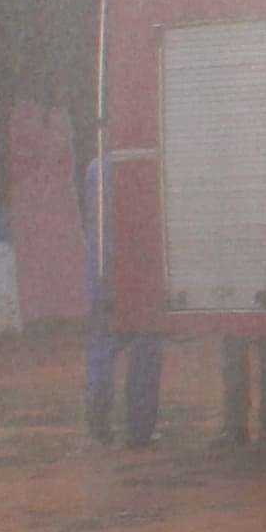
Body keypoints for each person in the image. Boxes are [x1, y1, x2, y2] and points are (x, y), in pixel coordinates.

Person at [83, 138, 163, 446]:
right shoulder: (144, 168)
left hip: (101, 271)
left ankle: (97, 407)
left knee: (103, 345)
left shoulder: (94, 169)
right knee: (146, 345)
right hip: (139, 272)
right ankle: (139, 428)